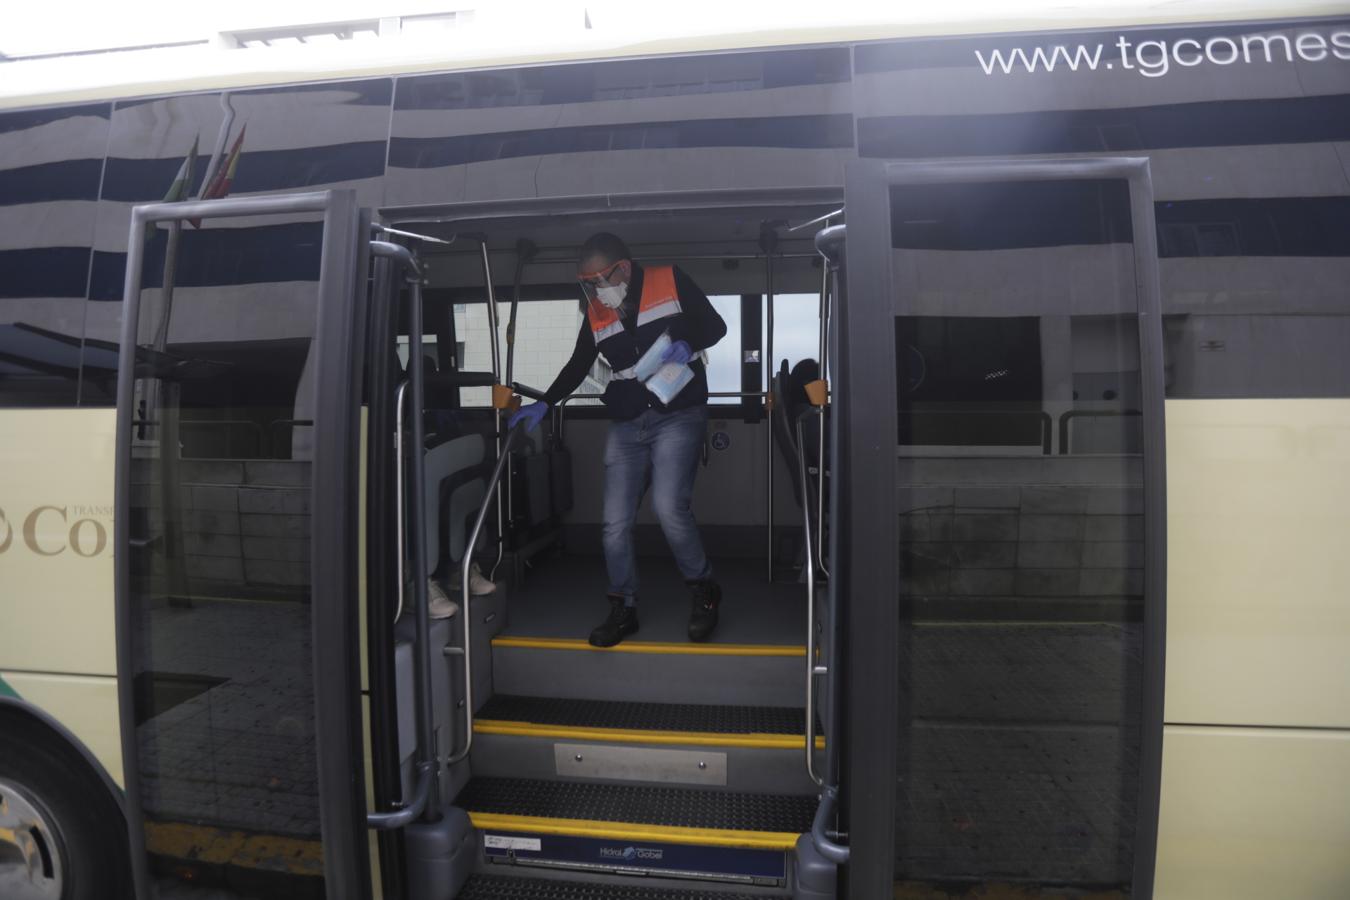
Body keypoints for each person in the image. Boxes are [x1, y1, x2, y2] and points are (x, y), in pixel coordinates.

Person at [509, 232, 726, 647]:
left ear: (623, 269)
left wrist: (688, 341)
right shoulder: (596, 311)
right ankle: (623, 606)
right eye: (587, 282)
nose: (595, 290)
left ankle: (704, 590)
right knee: (613, 524)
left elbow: (716, 325)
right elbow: (579, 364)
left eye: (600, 280)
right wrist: (546, 404)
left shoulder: (671, 280)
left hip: (678, 415)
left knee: (668, 508)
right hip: (629, 422)